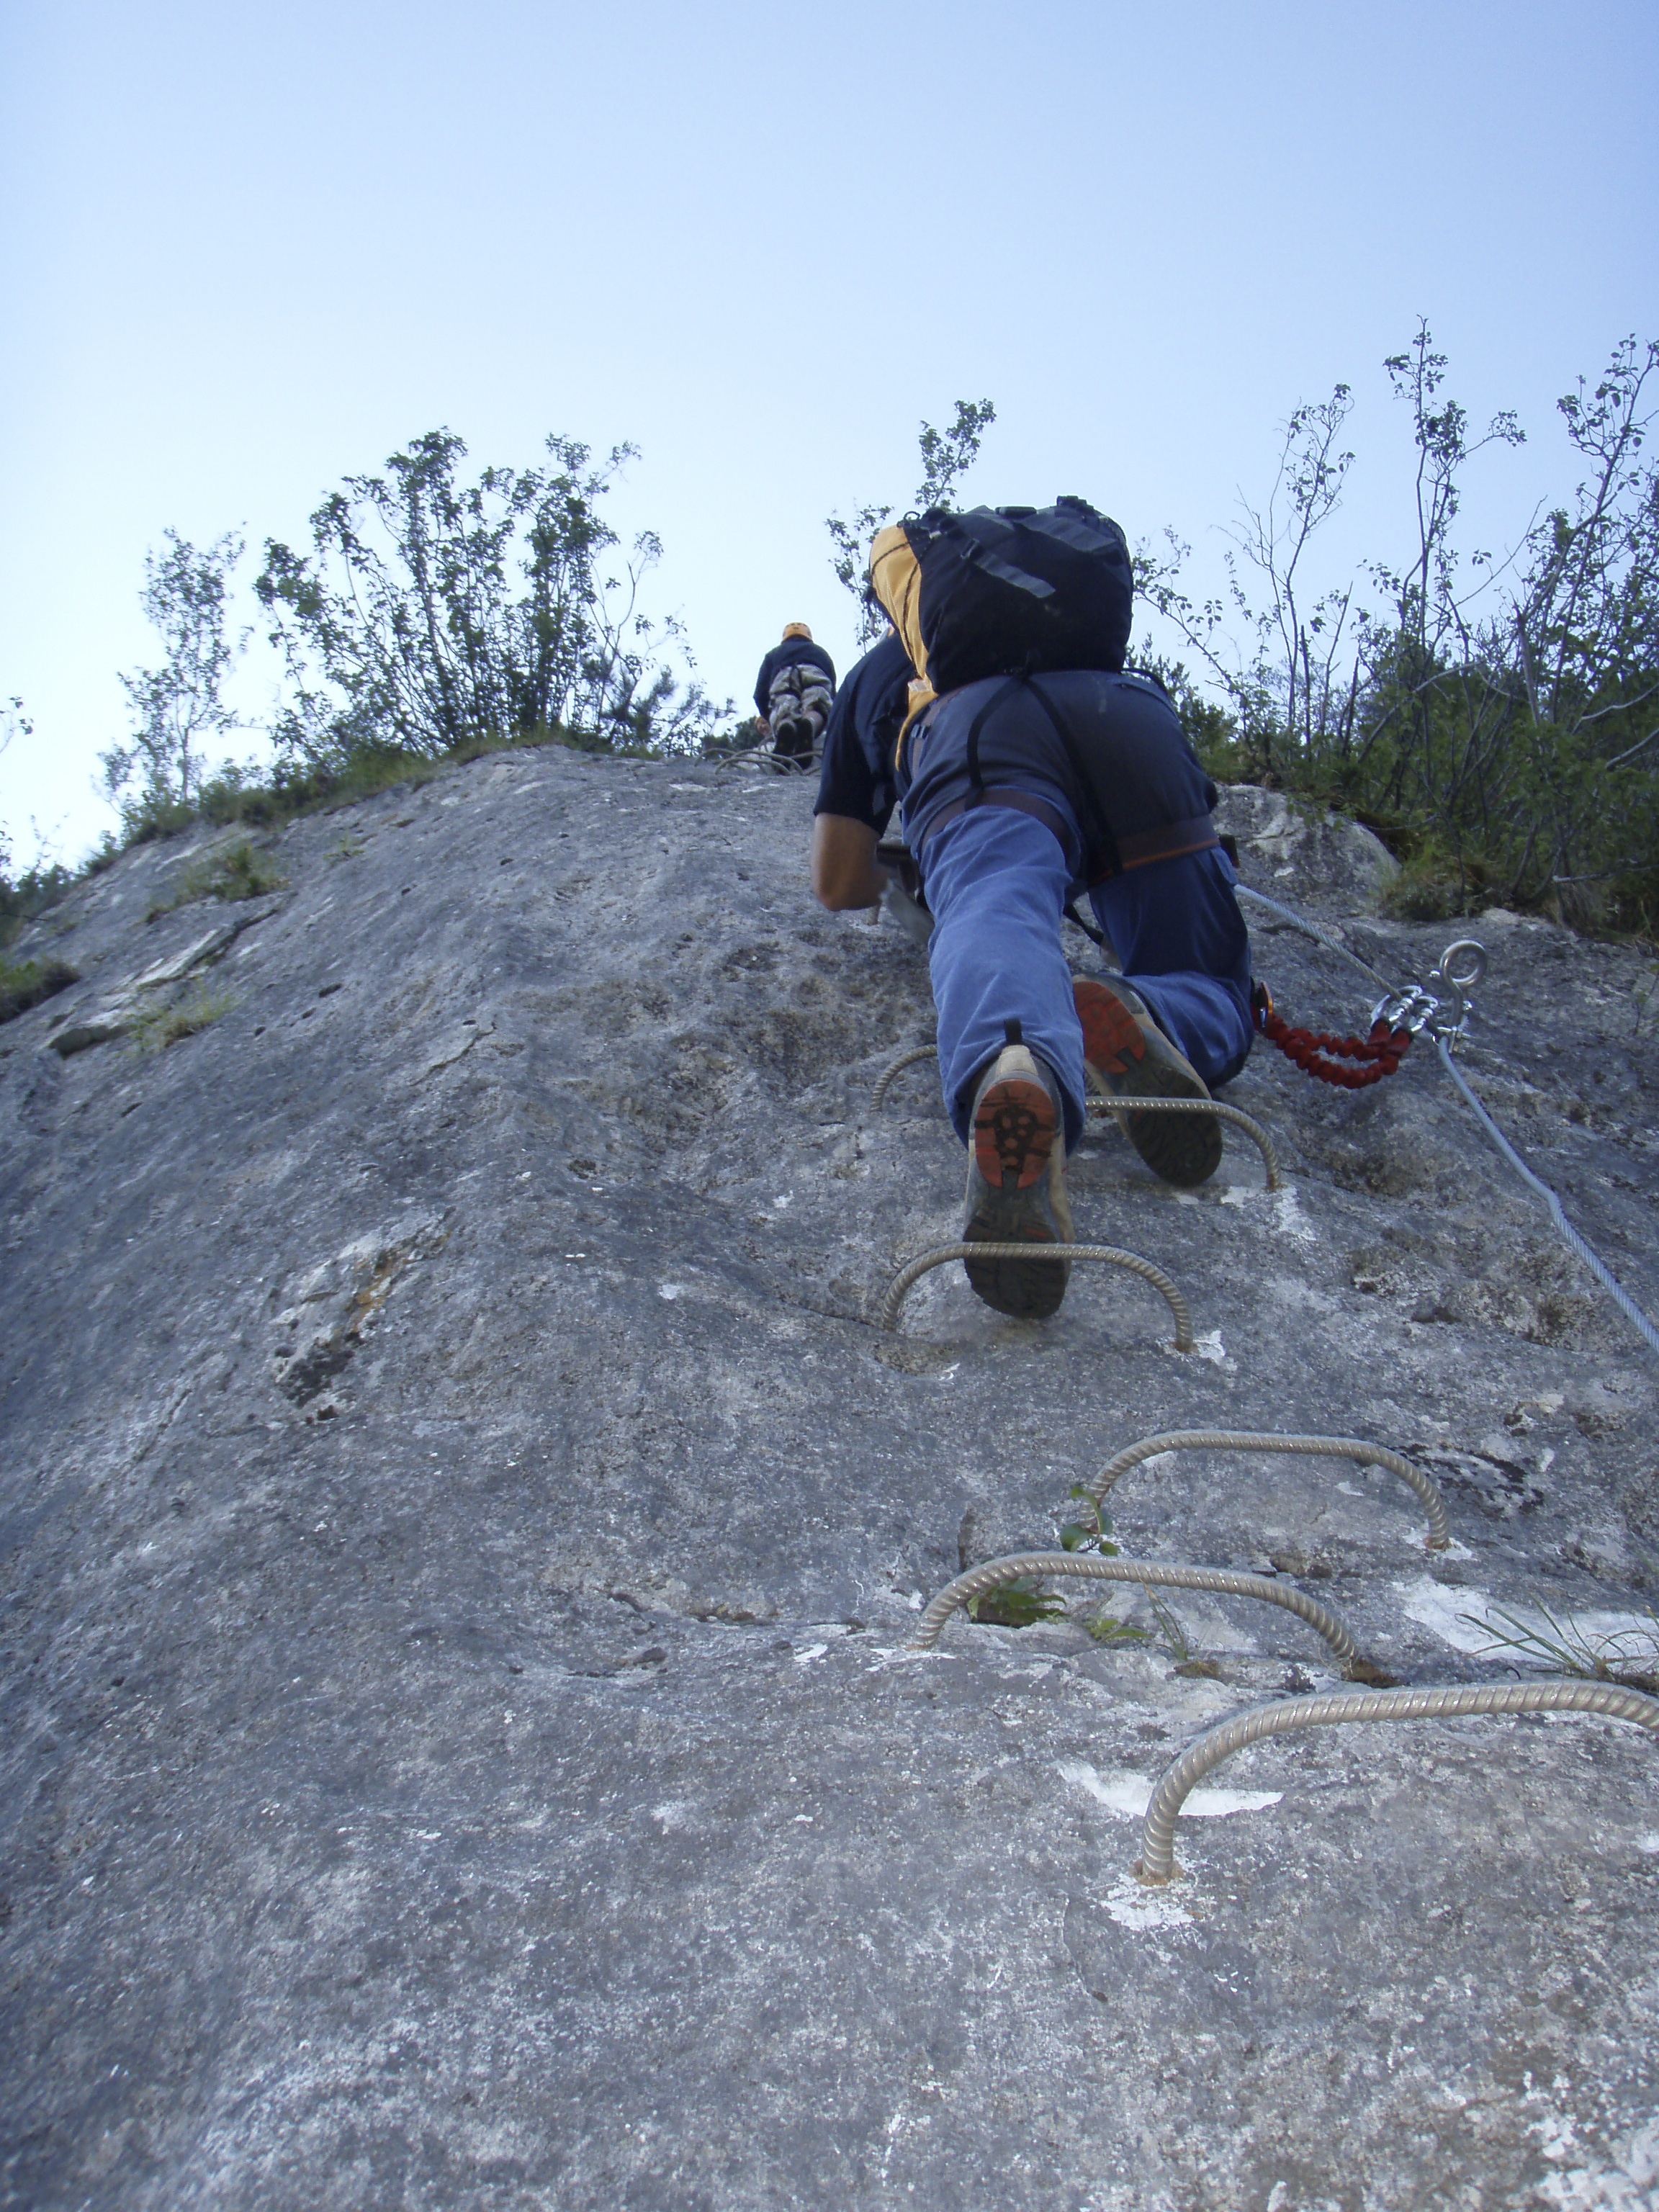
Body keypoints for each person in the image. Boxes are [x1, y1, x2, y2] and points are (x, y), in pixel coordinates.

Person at [811, 541, 1253, 1325]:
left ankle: (1014, 1057)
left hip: (979, 740)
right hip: (1129, 719)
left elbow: (838, 883)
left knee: (995, 897)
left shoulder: (884, 672)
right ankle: (1144, 1008)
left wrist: (920, 865)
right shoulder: (1073, 633)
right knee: (1209, 978)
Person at [754, 624, 837, 769]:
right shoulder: (821, 652)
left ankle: (786, 725)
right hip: (815, 672)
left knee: (784, 708)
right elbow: (831, 685)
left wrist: (770, 716)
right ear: (808, 636)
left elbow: (760, 692)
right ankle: (810, 723)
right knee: (818, 707)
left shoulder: (774, 654)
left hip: (785, 675)